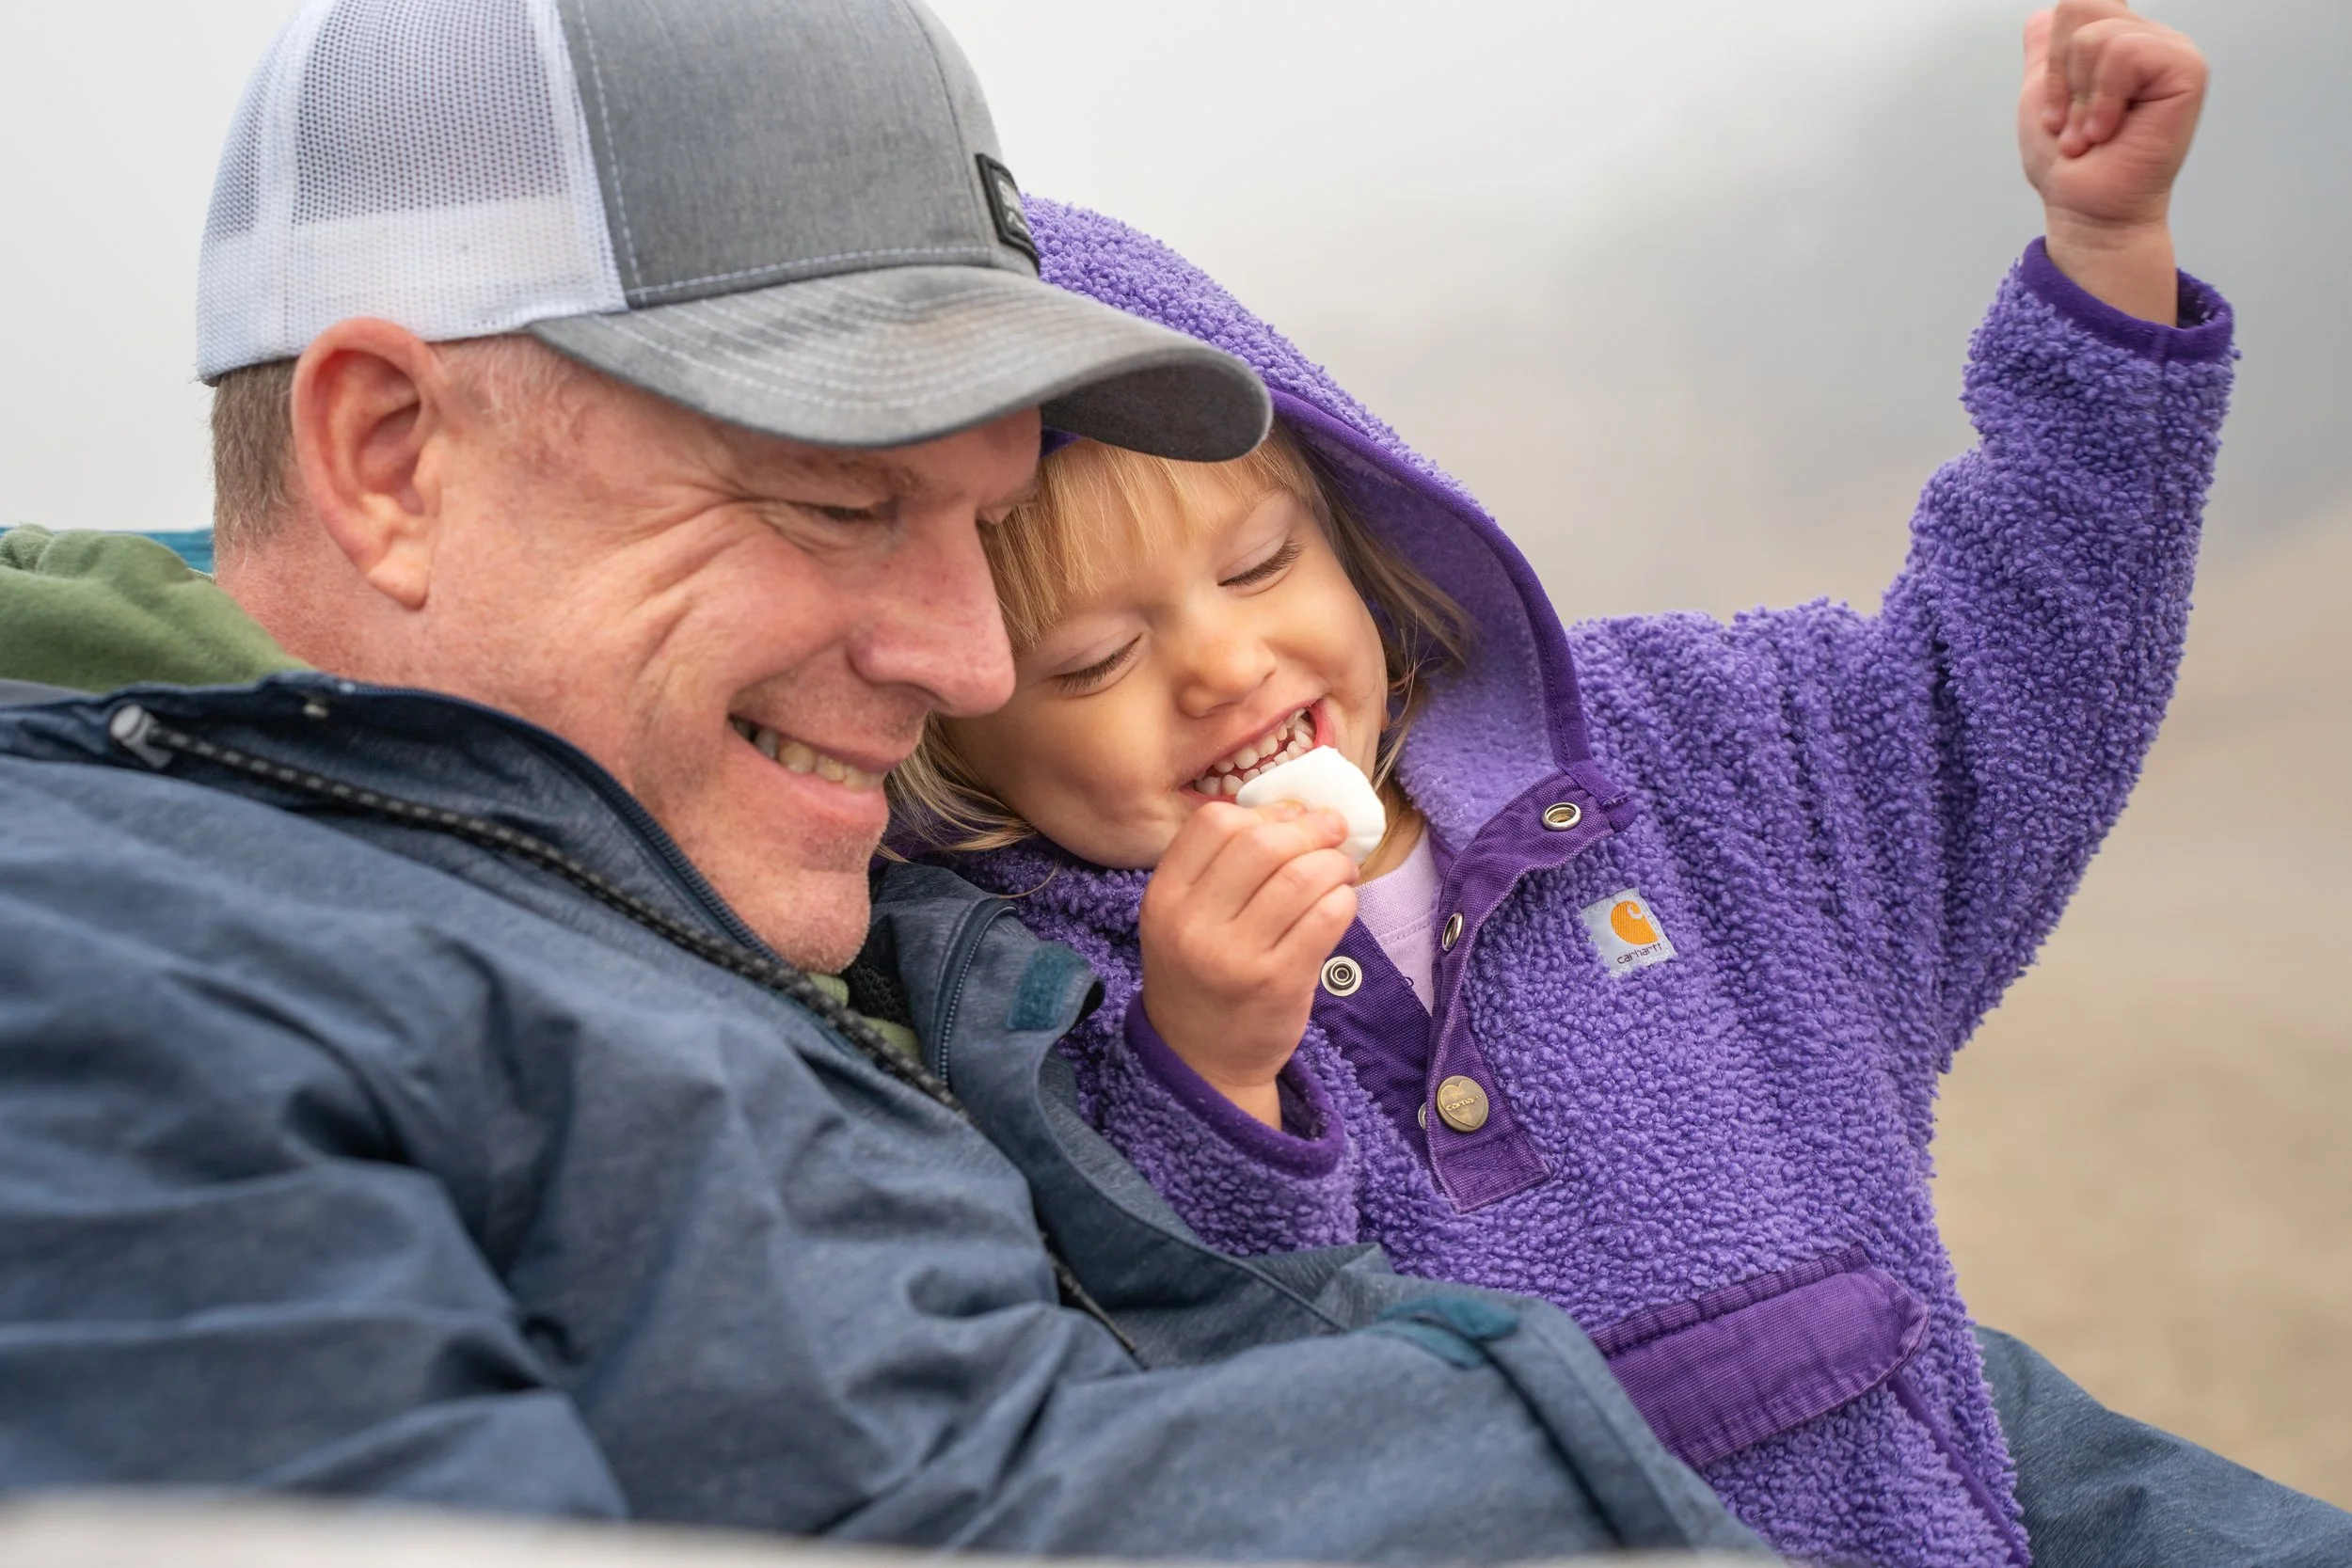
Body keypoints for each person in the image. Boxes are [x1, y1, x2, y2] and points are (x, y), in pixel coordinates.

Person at [0, 0, 1771, 1559]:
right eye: (843, 502)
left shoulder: (811, 875)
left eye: (981, 527)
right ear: (391, 459)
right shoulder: (101, 982)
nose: (971, 663)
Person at [887, 6, 2351, 1564]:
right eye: (1098, 661)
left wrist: (2106, 266)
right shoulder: (1037, 1000)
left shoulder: (1689, 758)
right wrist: (1216, 1074)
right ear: (954, 734)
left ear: (1361, 521)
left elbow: (2008, 673)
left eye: (1263, 559)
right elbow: (1194, 1380)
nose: (1225, 663)